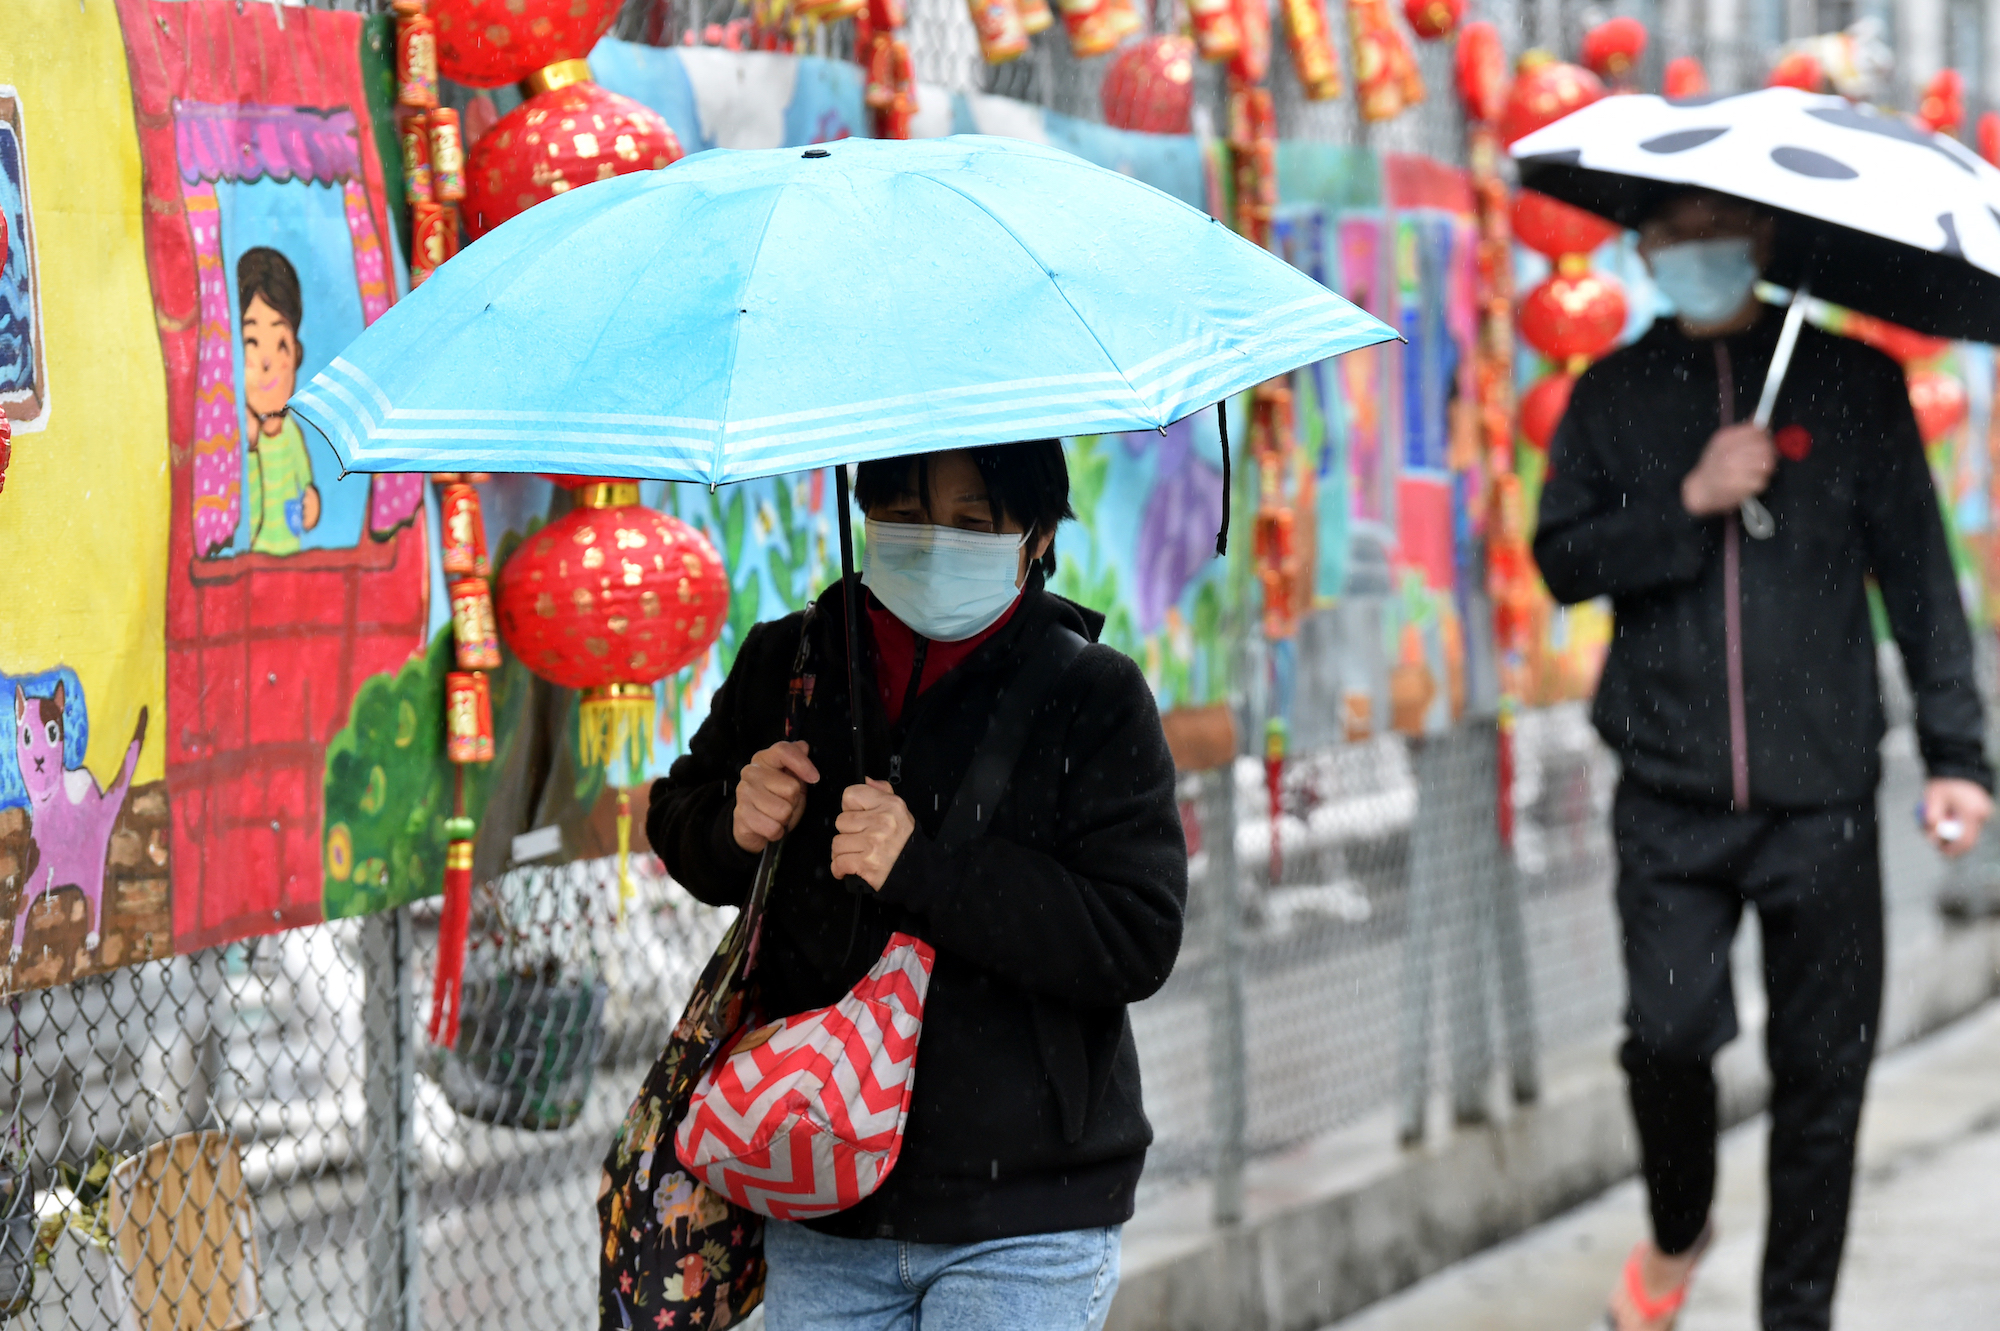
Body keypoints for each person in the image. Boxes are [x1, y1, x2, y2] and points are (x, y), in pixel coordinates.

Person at [1534, 190, 1994, 1331]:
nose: (1698, 255)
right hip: (1668, 794)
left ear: (1764, 242)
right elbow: (1560, 558)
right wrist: (1685, 499)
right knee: (1666, 1037)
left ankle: (1797, 1315)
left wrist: (1956, 755)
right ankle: (1678, 1223)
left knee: (1820, 1082)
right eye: (1675, 235)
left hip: (1823, 798)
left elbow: (1920, 580)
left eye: (1720, 232)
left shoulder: (1854, 387)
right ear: (1639, 248)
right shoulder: (1610, 394)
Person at [648, 440, 1187, 1331]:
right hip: (821, 1196)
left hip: (1026, 1218)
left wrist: (928, 871)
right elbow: (680, 816)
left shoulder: (1093, 696)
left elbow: (1137, 931)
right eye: (898, 512)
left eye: (970, 522)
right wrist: (729, 824)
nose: (930, 541)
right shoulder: (791, 665)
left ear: (1037, 533)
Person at [237, 246, 319, 556]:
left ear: (296, 354)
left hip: (290, 559)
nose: (268, 362)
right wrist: (252, 447)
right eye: (252, 342)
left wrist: (310, 495)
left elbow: (303, 476)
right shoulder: (238, 435)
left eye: (280, 343)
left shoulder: (290, 431)